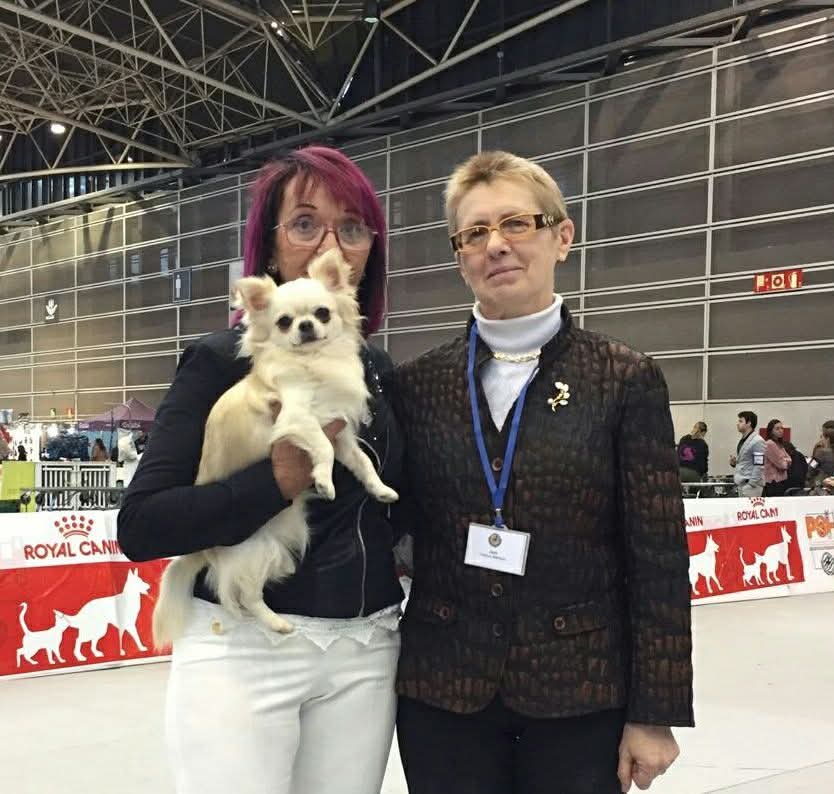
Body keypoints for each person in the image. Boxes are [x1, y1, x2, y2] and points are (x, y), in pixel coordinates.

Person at [391, 151, 693, 794]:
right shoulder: (416, 386)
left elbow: (658, 558)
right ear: (460, 258)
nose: (496, 245)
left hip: (580, 692)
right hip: (444, 693)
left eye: (516, 223)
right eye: (474, 233)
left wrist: (655, 712)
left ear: (562, 237)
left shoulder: (623, 378)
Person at [117, 146, 403, 794]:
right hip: (241, 644)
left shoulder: (378, 372)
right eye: (305, 223)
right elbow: (143, 524)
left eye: (352, 227)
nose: (331, 243)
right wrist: (274, 482)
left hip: (365, 649)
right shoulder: (219, 361)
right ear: (269, 246)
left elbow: (400, 509)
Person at [729, 411, 765, 497]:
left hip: (751, 486)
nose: (737, 424)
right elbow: (745, 461)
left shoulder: (758, 441)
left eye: (741, 421)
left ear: (749, 423)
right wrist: (734, 462)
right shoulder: (742, 440)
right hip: (742, 483)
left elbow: (759, 465)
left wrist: (751, 484)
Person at [762, 419, 792, 497]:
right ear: (771, 431)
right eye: (777, 428)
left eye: (782, 428)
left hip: (781, 481)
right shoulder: (770, 444)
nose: (781, 430)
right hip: (773, 482)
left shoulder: (779, 444)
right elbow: (782, 465)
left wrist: (785, 460)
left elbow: (790, 459)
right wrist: (786, 461)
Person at [807, 420, 834, 494]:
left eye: (822, 435)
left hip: (824, 488)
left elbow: (810, 468)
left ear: (827, 438)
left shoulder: (821, 452)